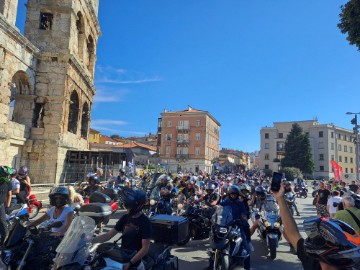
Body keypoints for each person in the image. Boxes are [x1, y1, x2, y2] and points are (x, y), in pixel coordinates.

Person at [273, 181, 360, 270]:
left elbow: (292, 234)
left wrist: (280, 199)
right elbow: (292, 234)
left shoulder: (314, 263)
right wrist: (280, 199)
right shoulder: (352, 264)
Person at [93, 188, 152, 270]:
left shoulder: (145, 222)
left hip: (137, 260)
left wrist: (130, 263)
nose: (126, 207)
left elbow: (145, 249)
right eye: (125, 204)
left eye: (127, 205)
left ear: (136, 206)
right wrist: (90, 240)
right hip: (123, 255)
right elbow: (108, 235)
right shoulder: (125, 218)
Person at [219, 185, 251, 270]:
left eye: (235, 194)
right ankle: (211, 264)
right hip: (225, 226)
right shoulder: (225, 202)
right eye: (231, 194)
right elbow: (218, 209)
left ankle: (247, 267)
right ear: (229, 194)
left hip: (237, 226)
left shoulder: (240, 204)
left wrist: (243, 220)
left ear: (237, 195)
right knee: (216, 243)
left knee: (245, 247)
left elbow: (243, 214)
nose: (233, 196)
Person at [0, 166, 13, 245]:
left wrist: (7, 206)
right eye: (6, 175)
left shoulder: (8, 183)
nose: (7, 177)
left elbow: (9, 194)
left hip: (1, 206)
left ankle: (3, 243)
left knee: (3, 224)